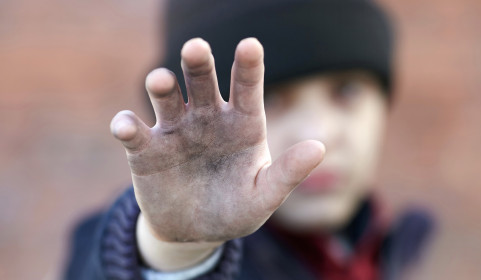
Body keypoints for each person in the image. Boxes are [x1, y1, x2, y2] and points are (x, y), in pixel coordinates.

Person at [65, 0, 433, 279]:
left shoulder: (387, 247)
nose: (317, 134)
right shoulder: (122, 243)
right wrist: (175, 251)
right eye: (270, 98)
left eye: (346, 91)